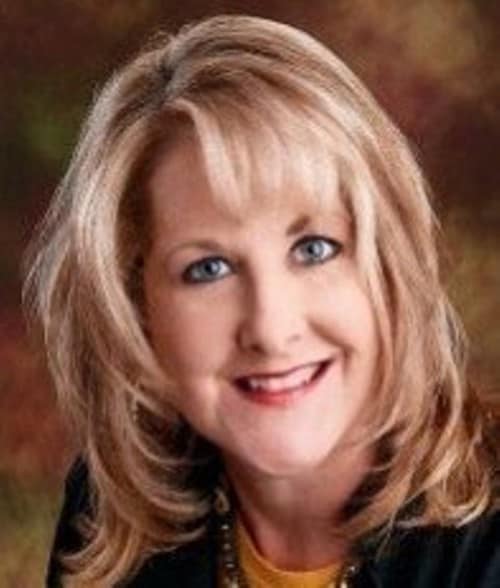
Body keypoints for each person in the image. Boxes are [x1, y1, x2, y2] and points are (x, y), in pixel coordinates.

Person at [24, 14, 499, 588]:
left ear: (391, 262)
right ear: (135, 308)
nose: (271, 329)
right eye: (208, 269)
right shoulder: (109, 512)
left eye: (314, 249)